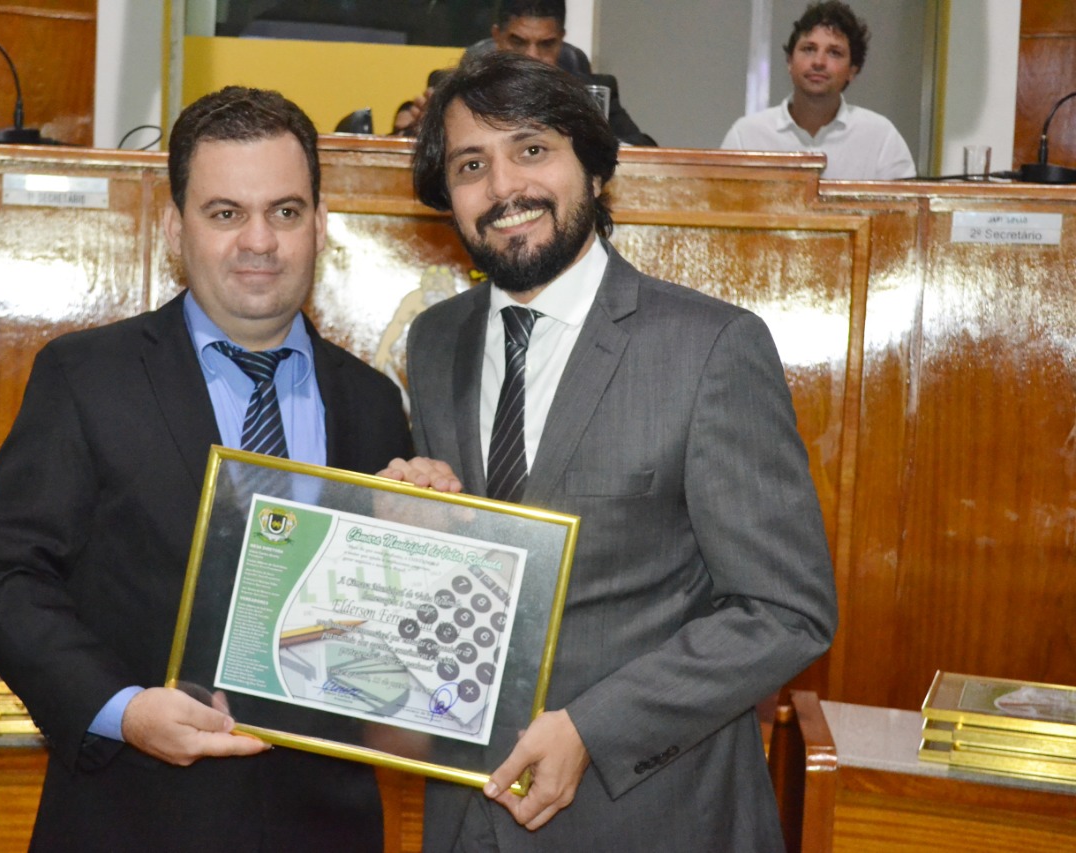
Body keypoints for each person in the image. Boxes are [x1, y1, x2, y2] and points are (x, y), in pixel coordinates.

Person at [382, 51, 838, 850]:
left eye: (532, 149)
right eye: (470, 165)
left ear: (593, 169)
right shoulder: (434, 341)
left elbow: (785, 611)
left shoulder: (710, 348)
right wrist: (404, 526)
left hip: (649, 816)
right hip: (467, 816)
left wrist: (593, 728)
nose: (504, 187)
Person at [0, 86, 412, 852]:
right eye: (225, 212)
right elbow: (3, 578)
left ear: (320, 225)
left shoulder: (373, 402)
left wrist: (434, 528)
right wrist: (123, 709)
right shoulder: (86, 377)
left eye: (285, 211)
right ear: (176, 227)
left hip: (325, 826)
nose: (259, 241)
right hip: (131, 816)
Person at [412, 0, 656, 147]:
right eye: (518, 42)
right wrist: (427, 131)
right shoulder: (451, 89)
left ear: (561, 40)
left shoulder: (593, 92)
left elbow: (644, 148)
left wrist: (594, 135)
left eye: (546, 44)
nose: (531, 56)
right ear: (497, 37)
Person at [721, 1, 915, 180]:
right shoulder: (746, 137)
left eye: (834, 53)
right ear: (789, 62)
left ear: (852, 71)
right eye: (808, 49)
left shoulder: (881, 138)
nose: (819, 62)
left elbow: (909, 206)